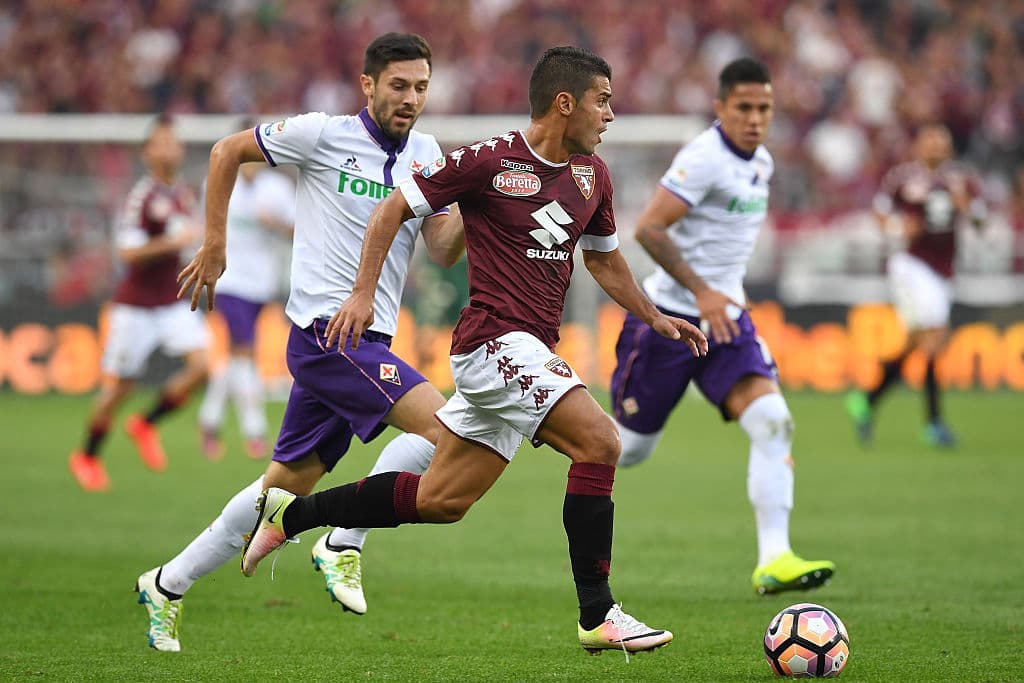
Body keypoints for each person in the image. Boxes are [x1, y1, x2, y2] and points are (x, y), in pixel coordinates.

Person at [241, 46, 708, 655]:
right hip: (492, 343)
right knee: (600, 442)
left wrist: (655, 316)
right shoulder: (487, 160)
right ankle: (598, 613)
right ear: (565, 104)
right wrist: (362, 294)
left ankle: (290, 516)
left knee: (441, 500)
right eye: (603, 100)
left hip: (530, 348)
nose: (610, 114)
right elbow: (391, 209)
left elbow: (604, 260)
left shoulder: (593, 175)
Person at [137, 33, 465, 652]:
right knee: (447, 431)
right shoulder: (322, 134)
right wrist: (214, 243)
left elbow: (445, 249)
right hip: (326, 338)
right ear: (368, 84)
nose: (411, 98)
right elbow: (226, 151)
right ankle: (343, 541)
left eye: (421, 87)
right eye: (398, 85)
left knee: (280, 491)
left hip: (368, 341)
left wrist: (474, 204)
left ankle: (165, 583)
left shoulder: (427, 153)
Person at [607, 58, 835, 596]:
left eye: (765, 109)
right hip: (668, 322)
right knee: (627, 450)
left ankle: (774, 559)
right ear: (721, 108)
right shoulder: (703, 157)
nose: (755, 119)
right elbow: (650, 229)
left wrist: (726, 290)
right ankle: (543, 421)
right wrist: (702, 290)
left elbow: (724, 240)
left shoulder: (762, 163)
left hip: (727, 323)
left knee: (774, 421)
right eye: (744, 108)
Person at [68, 115, 209, 493]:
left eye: (173, 142)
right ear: (147, 153)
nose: (169, 149)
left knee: (203, 367)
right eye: (161, 142)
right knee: (121, 388)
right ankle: (87, 455)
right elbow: (128, 253)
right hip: (135, 306)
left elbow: (185, 243)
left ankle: (145, 424)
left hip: (171, 300)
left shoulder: (182, 195)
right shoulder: (141, 197)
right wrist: (175, 242)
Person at [846, 123, 985, 448]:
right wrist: (898, 229)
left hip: (943, 270)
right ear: (918, 146)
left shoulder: (962, 179)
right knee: (935, 337)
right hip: (911, 264)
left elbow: (981, 220)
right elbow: (879, 215)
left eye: (941, 140)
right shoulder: (902, 177)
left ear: (949, 147)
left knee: (917, 343)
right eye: (930, 140)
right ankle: (934, 423)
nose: (936, 146)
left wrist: (967, 208)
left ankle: (867, 400)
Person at [196, 158, 295, 460]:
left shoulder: (277, 189)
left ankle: (209, 421)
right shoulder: (218, 183)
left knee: (237, 356)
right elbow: (205, 227)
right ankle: (255, 430)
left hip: (261, 282)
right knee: (245, 351)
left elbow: (298, 231)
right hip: (228, 279)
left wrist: (274, 223)